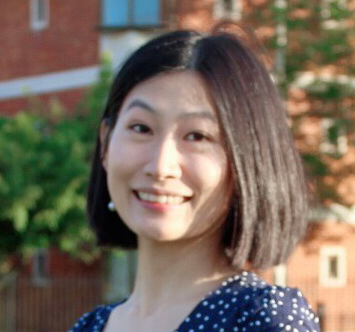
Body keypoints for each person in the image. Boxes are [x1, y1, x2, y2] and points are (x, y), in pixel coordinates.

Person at [69, 25, 321, 332]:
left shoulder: (263, 320)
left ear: (246, 162)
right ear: (106, 142)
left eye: (197, 136)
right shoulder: (90, 327)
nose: (161, 166)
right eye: (141, 128)